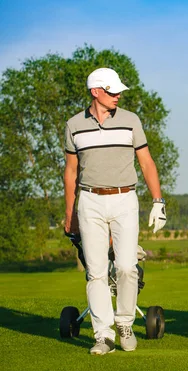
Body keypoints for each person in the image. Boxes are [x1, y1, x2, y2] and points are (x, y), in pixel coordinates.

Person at [63, 67, 167, 355]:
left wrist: (158, 201)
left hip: (124, 199)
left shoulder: (130, 120)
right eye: (112, 91)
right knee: (95, 272)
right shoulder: (74, 125)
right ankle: (103, 335)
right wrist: (70, 212)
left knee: (125, 266)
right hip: (90, 200)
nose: (118, 95)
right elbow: (71, 172)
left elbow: (146, 162)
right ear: (96, 92)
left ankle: (124, 323)